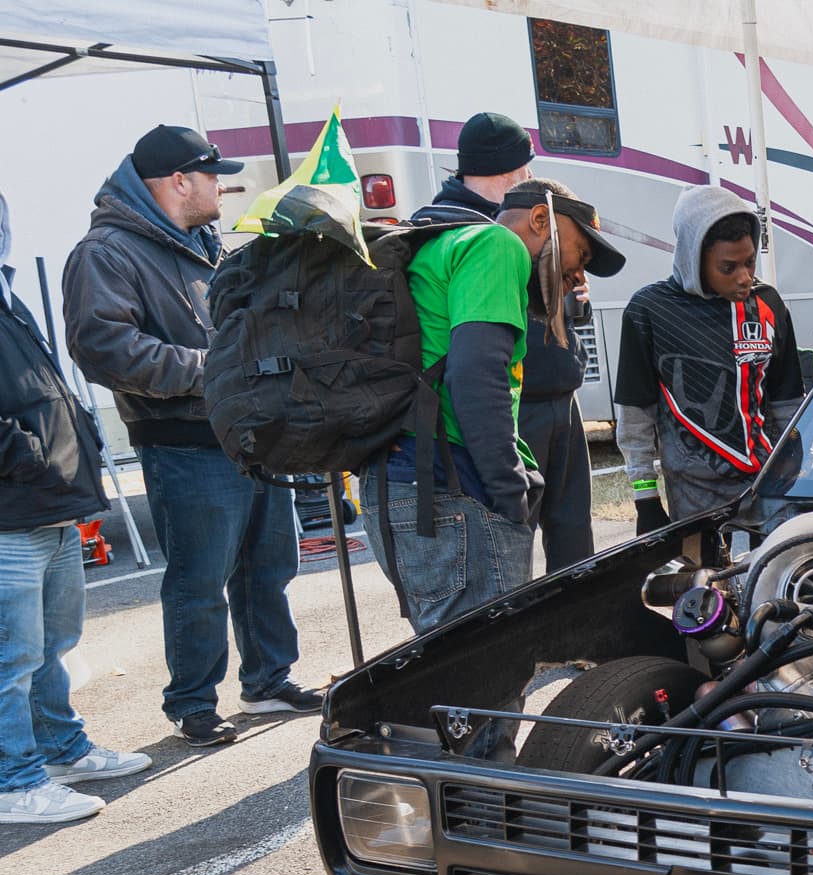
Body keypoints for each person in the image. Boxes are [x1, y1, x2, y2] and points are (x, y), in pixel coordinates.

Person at [63, 124, 320, 746]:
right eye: (213, 175)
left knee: (268, 567)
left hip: (250, 433)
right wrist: (215, 371)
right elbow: (104, 348)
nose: (223, 186)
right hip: (184, 441)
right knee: (200, 580)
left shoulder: (203, 242)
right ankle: (192, 702)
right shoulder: (106, 253)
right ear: (179, 181)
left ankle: (267, 681)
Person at [363, 177, 622, 630]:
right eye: (580, 254)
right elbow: (477, 379)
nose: (579, 276)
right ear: (541, 219)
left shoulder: (446, 242)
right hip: (448, 485)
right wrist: (509, 497)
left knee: (451, 669)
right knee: (489, 680)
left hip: (405, 483)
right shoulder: (497, 245)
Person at [1, 189, 152, 823]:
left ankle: (60, 749)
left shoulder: (7, 294)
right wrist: (31, 458)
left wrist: (75, 450)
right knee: (12, 658)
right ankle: (14, 782)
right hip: (14, 511)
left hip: (51, 503)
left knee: (52, 643)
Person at [410, 114, 599, 572]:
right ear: (514, 169)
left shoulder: (508, 227)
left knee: (571, 537)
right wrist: (509, 492)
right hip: (510, 409)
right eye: (526, 167)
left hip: (555, 394)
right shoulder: (488, 237)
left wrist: (572, 299)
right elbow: (475, 371)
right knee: (511, 554)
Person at [614, 188, 804, 528]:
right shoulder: (650, 311)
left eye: (749, 262)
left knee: (776, 575)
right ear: (693, 257)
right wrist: (645, 497)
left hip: (770, 483)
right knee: (706, 580)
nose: (744, 277)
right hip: (694, 492)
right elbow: (635, 415)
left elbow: (787, 399)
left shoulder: (768, 304)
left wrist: (796, 461)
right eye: (728, 267)